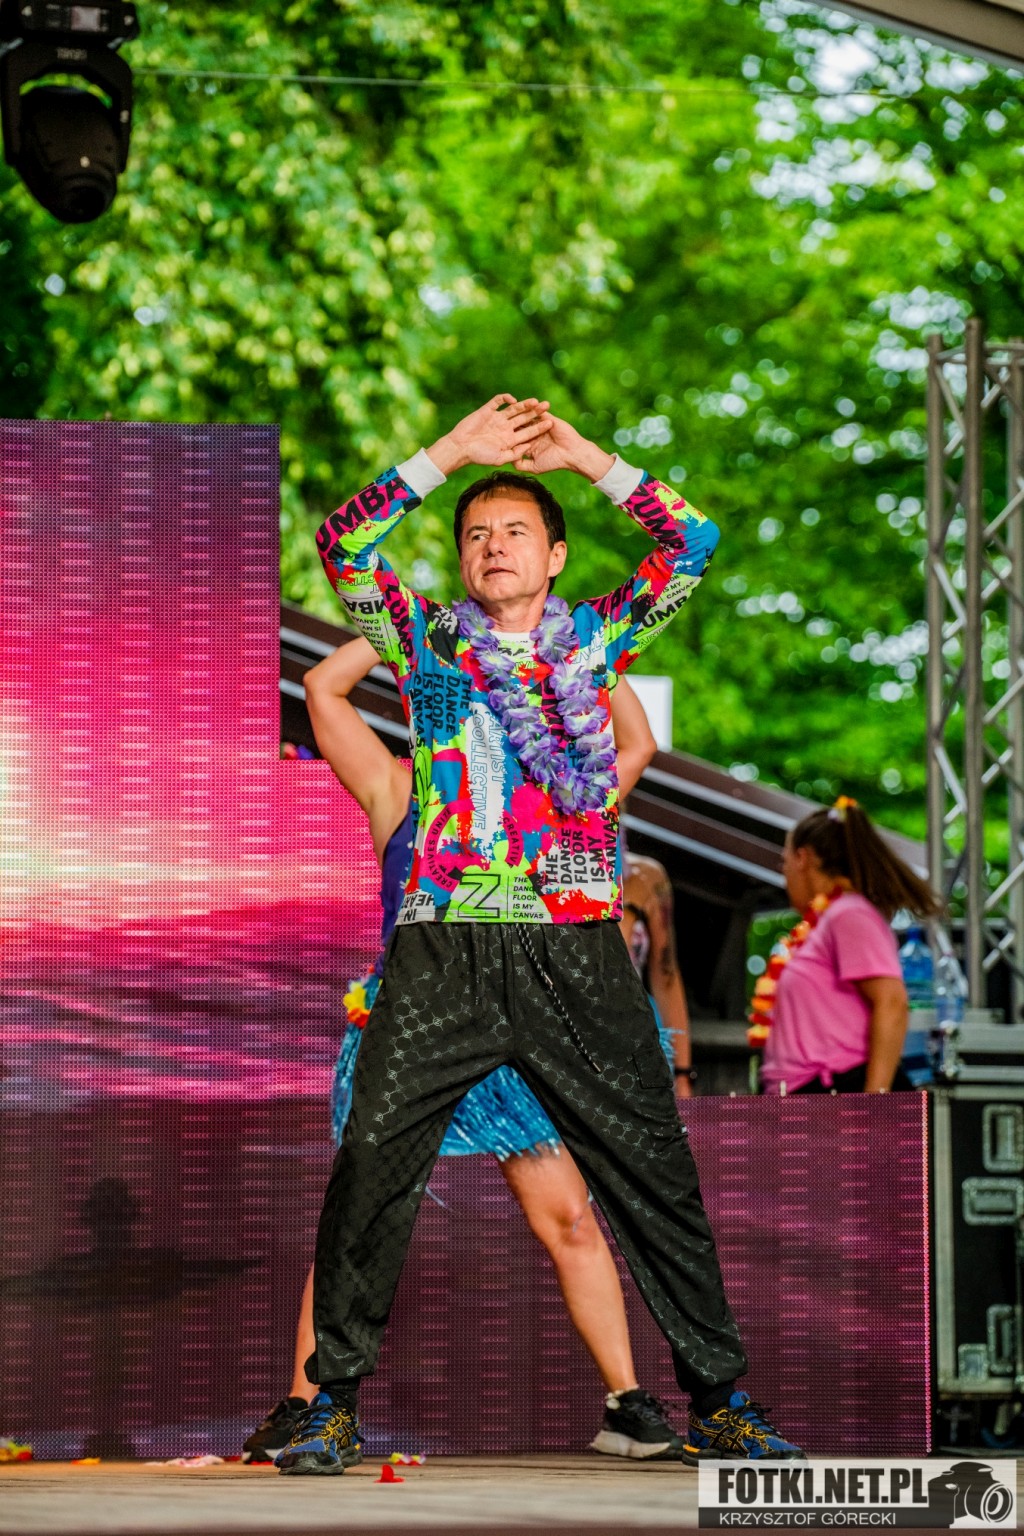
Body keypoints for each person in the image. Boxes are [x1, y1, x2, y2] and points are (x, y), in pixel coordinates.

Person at [278, 393, 802, 1474]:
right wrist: (450, 453)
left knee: (652, 1170)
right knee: (372, 1162)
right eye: (475, 534)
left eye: (515, 529)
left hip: (574, 939)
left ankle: (718, 1398)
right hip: (443, 937)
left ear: (556, 555)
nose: (492, 546)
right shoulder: (425, 638)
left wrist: (582, 457)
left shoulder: (597, 640)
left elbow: (692, 543)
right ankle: (329, 1404)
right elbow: (342, 545)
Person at [245, 640, 689, 1462]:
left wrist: (582, 645)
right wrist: (412, 623)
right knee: (358, 1219)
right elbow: (321, 687)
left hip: (521, 1029)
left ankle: (628, 1404)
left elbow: (638, 744)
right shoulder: (398, 790)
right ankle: (306, 1406)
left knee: (568, 1216)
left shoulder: (564, 804)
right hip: (412, 1025)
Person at [750, 795, 942, 1095]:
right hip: (807, 1095)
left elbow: (891, 1002)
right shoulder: (824, 921)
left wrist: (873, 1102)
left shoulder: (849, 914)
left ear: (803, 858)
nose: (784, 874)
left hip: (838, 1092)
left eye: (784, 862)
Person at [619, 845, 695, 1099]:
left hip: (638, 1035)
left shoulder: (648, 876)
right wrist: (629, 909)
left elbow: (667, 978)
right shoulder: (549, 866)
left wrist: (682, 1075)